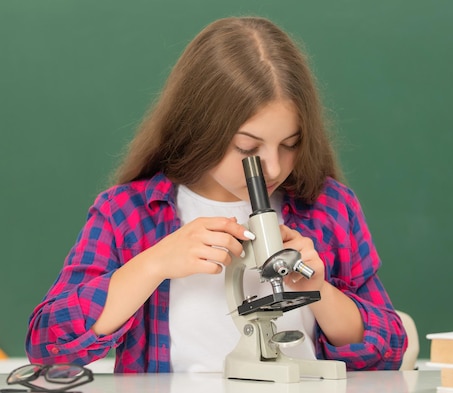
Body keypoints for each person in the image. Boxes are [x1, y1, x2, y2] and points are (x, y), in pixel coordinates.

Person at [25, 16, 407, 373]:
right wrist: (152, 264)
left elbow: (388, 352)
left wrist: (319, 291)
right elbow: (47, 346)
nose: (272, 168)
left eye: (290, 144)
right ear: (200, 129)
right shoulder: (128, 213)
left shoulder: (329, 207)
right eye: (247, 148)